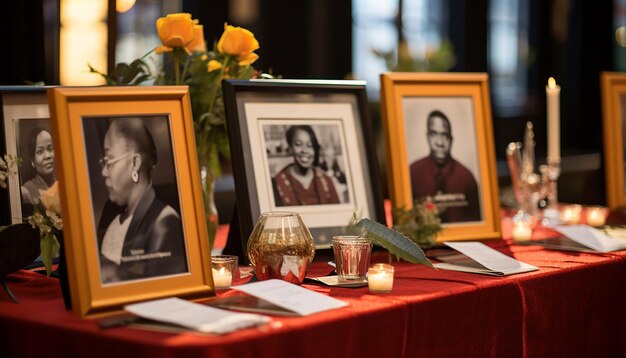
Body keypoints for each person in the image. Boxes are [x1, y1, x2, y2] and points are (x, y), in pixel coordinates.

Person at [97, 118, 187, 283]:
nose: (104, 172)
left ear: (135, 163)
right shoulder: (114, 215)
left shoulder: (165, 224)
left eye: (109, 161)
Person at [410, 110, 481, 223]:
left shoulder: (466, 177)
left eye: (445, 135)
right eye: (434, 134)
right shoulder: (412, 174)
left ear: (451, 139)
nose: (440, 142)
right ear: (427, 136)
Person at [273, 125, 340, 206]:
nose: (304, 150)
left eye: (310, 145)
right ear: (290, 148)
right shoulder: (277, 183)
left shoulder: (327, 181)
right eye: (298, 144)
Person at [21, 128, 56, 208]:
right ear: (32, 160)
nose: (47, 156)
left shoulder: (62, 185)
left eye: (50, 149)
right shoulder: (27, 190)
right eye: (40, 152)